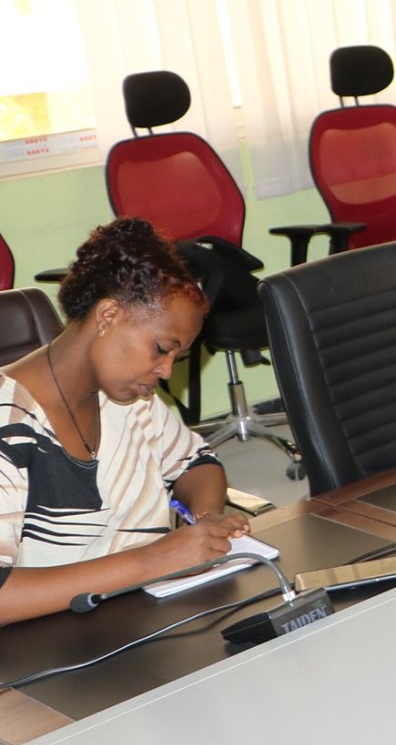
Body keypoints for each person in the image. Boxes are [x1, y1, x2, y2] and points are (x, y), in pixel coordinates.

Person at [0, 218, 250, 627]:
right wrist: (155, 560)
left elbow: (196, 463)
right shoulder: (8, 422)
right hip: (46, 651)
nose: (166, 371)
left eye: (177, 357)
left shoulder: (130, 399)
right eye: (161, 349)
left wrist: (205, 525)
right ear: (108, 315)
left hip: (140, 623)